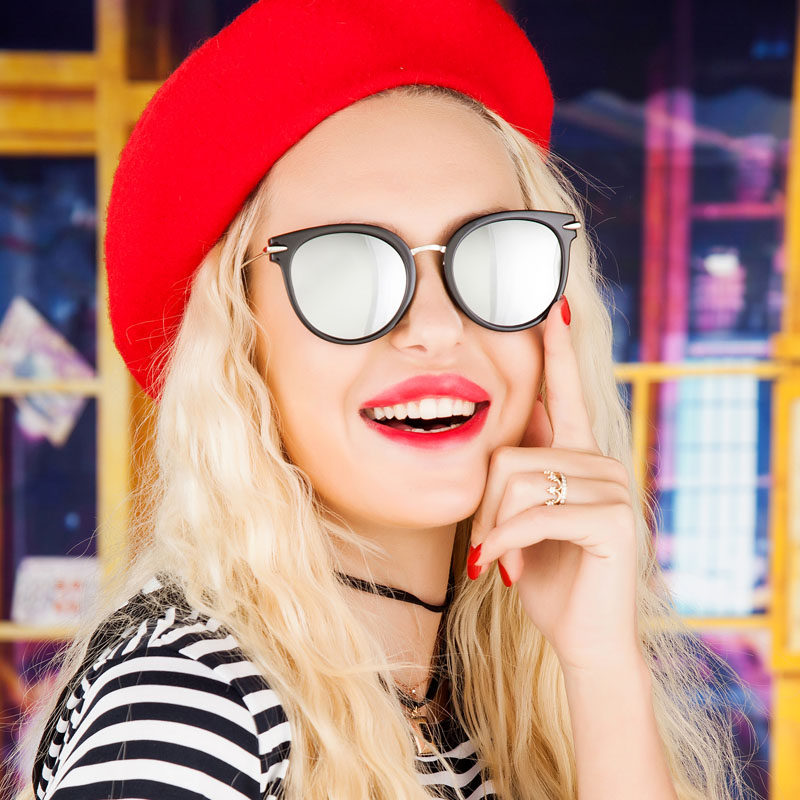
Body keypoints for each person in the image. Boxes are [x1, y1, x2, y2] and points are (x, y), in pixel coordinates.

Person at [8, 1, 755, 799]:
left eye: (492, 253)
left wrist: (602, 663)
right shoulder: (189, 710)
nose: (436, 327)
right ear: (242, 343)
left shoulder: (478, 700)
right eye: (345, 269)